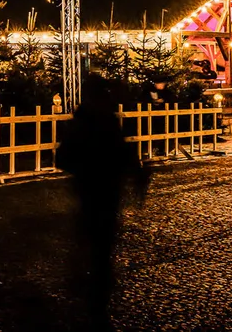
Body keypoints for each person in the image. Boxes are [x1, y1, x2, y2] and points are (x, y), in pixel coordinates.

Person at [57, 74, 150, 330]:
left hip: (89, 191)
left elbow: (62, 158)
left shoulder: (82, 122)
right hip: (106, 191)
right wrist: (133, 172)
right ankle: (97, 294)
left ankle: (87, 289)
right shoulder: (107, 121)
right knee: (102, 245)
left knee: (90, 240)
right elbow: (122, 152)